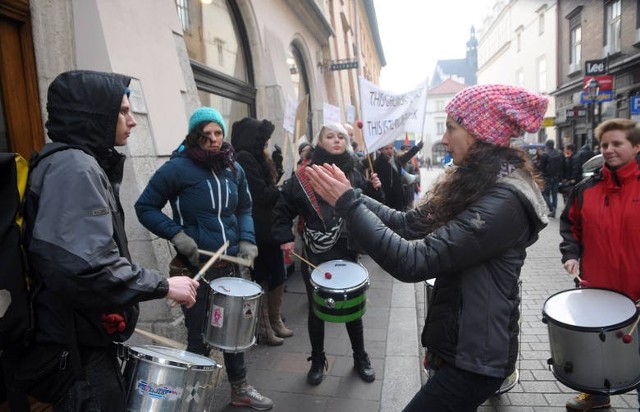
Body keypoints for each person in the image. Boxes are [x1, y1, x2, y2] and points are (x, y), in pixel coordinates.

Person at [305, 84, 549, 411]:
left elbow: (414, 261)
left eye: (451, 128)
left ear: (480, 134)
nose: (444, 138)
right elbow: (408, 225)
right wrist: (355, 195)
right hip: (459, 345)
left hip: (476, 358)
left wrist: (349, 204)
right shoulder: (474, 183)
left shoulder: (502, 200)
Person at [0, 70, 199, 411]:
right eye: (123, 111)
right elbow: (84, 268)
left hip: (77, 343)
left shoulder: (71, 162)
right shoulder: (74, 168)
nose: (132, 121)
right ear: (93, 114)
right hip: (76, 355)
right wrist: (163, 285)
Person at [135, 107, 273, 410]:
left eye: (218, 133)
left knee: (234, 334)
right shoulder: (177, 168)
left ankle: (240, 389)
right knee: (199, 338)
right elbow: (145, 207)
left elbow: (244, 208)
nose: (213, 140)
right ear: (194, 136)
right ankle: (190, 398)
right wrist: (178, 235)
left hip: (230, 266)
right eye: (206, 135)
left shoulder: (232, 168)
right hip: (195, 268)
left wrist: (247, 241)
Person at [271, 122, 384, 386]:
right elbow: (283, 208)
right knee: (316, 310)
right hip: (317, 254)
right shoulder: (304, 176)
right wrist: (285, 237)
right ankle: (318, 359)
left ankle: (360, 356)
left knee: (353, 307)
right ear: (319, 143)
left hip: (348, 251)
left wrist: (376, 189)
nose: (336, 140)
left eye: (340, 137)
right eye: (329, 137)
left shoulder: (356, 172)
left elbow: (372, 210)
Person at [559, 118, 640, 411]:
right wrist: (570, 254)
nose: (608, 150)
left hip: (637, 293)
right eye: (604, 144)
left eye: (617, 143)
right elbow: (571, 226)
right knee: (596, 350)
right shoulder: (585, 189)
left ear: (636, 146)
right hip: (596, 288)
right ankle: (596, 398)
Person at [230, 117, 293, 346]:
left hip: (268, 227)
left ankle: (275, 321)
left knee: (277, 274)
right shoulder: (244, 158)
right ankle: (265, 327)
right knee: (263, 276)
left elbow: (268, 186)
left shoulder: (255, 157)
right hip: (257, 228)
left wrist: (276, 167)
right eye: (264, 142)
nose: (266, 146)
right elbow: (262, 194)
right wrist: (281, 190)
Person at [374, 141, 423, 211]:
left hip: (400, 199)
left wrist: (417, 148)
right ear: (381, 150)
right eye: (386, 149)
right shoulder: (377, 164)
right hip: (388, 202)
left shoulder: (395, 159)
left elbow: (406, 156)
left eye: (391, 148)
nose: (389, 151)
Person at [539, 139, 563, 217]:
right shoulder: (559, 153)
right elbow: (563, 165)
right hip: (556, 177)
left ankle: (551, 208)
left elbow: (541, 167)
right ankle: (554, 209)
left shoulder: (545, 154)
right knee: (554, 194)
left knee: (545, 194)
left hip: (547, 177)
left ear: (547, 145)